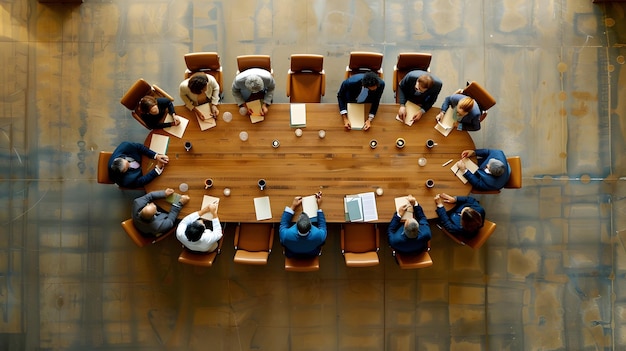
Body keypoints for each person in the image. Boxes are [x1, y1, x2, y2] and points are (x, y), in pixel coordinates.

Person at [279, 193, 326, 258]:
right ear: (311, 226)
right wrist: (318, 207)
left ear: (296, 225)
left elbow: (283, 224)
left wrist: (293, 206)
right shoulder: (318, 235)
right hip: (311, 254)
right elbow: (322, 226)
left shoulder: (286, 235)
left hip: (292, 253)